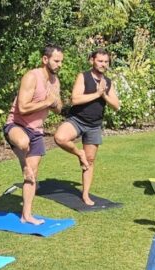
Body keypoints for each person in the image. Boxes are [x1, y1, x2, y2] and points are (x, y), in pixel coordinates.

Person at [3, 45, 64, 225]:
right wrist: (47, 101)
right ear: (45, 59)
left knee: (32, 175)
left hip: (36, 131)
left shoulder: (55, 81)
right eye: (56, 61)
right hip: (17, 125)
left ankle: (26, 215)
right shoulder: (31, 77)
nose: (59, 64)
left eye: (61, 61)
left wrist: (54, 104)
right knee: (23, 143)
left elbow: (59, 108)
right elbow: (22, 108)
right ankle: (23, 163)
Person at [53, 48, 120, 206]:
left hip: (94, 125)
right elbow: (75, 99)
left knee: (90, 160)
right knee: (60, 138)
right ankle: (79, 153)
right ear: (92, 61)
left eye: (105, 61)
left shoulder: (108, 83)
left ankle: (85, 194)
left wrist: (104, 94)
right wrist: (97, 94)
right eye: (100, 61)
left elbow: (116, 105)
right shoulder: (83, 76)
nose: (103, 64)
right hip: (77, 119)